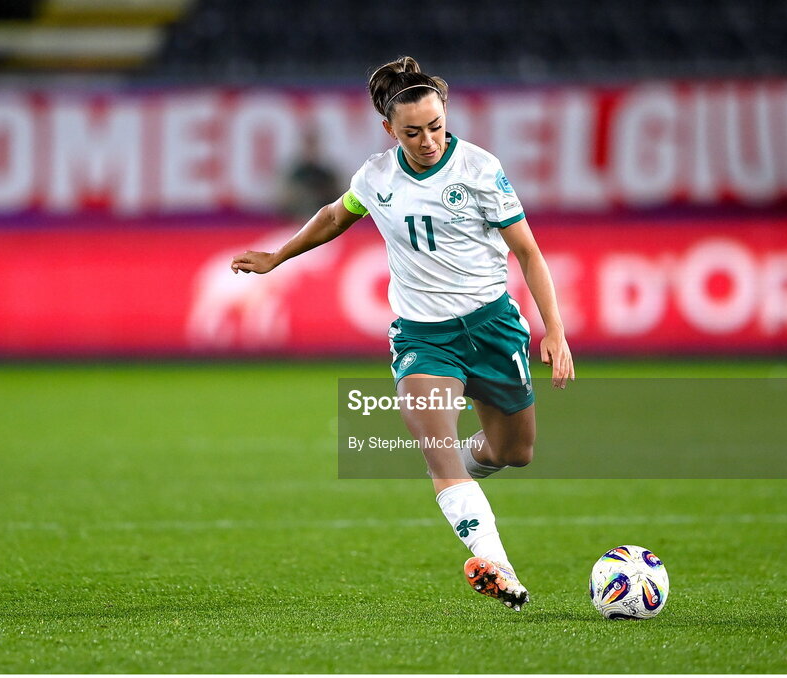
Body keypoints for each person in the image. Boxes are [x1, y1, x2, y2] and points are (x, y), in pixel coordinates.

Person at [231, 56, 574, 611]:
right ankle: (498, 565)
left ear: (446, 114)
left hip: (493, 328)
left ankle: (460, 479)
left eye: (436, 126)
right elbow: (334, 215)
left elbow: (528, 252)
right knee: (438, 451)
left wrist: (553, 330)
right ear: (389, 129)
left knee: (516, 451)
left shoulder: (482, 170)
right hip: (422, 337)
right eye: (412, 131)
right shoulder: (376, 177)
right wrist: (278, 256)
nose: (428, 140)